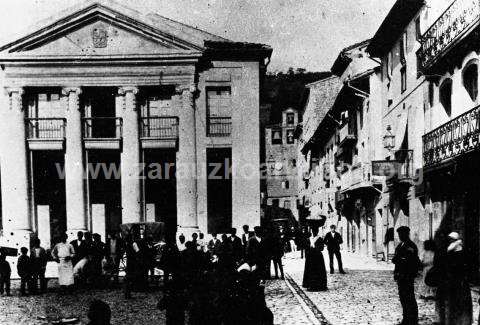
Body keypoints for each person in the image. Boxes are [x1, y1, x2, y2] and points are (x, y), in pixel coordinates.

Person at [435, 232, 472, 325]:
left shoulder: (458, 251)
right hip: (454, 281)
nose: (449, 241)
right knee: (453, 303)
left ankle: (460, 321)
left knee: (458, 303)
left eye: (451, 239)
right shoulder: (452, 251)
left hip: (459, 282)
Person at [392, 226, 420, 325]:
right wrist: (396, 272)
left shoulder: (410, 246)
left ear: (406, 234)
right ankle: (406, 319)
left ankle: (412, 320)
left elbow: (412, 261)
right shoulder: (400, 245)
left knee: (410, 298)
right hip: (401, 275)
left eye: (401, 234)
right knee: (403, 298)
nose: (400, 236)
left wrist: (399, 259)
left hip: (407, 276)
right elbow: (396, 259)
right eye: (399, 234)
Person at [302, 226, 327, 291]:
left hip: (318, 257)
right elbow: (305, 247)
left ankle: (319, 285)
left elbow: (322, 248)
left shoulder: (320, 239)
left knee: (318, 270)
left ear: (317, 232)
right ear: (311, 232)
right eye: (313, 231)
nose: (314, 233)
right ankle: (310, 285)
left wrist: (315, 247)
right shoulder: (309, 239)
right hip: (310, 256)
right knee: (310, 270)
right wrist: (309, 246)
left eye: (315, 231)